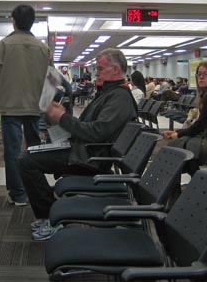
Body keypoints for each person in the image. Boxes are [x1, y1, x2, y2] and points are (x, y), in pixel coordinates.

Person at [17, 48, 137, 240]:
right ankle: (52, 211)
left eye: (100, 69)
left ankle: (50, 216)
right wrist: (60, 118)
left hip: (91, 158)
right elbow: (88, 128)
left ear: (115, 69)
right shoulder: (110, 93)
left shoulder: (120, 97)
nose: (96, 73)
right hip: (85, 151)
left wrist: (63, 117)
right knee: (30, 155)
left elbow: (95, 133)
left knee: (26, 161)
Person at [0, 4, 51, 207]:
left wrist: (4, 88)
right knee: (34, 148)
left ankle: (19, 194)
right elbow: (51, 79)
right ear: (32, 23)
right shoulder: (43, 48)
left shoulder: (4, 45)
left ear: (13, 21)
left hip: (10, 105)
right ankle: (35, 190)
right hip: (34, 105)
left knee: (13, 151)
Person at [163, 60, 207, 164]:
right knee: (182, 142)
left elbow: (200, 125)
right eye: (199, 74)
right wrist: (178, 132)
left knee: (180, 145)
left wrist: (178, 134)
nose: (201, 77)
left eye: (206, 74)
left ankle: (181, 172)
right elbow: (200, 124)